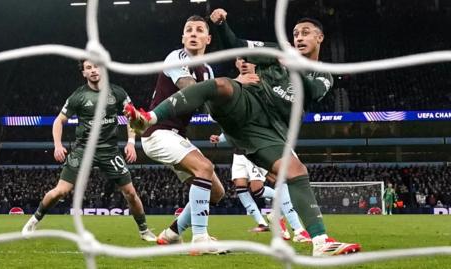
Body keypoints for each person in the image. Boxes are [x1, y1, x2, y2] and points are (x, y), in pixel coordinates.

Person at [125, 9, 361, 256]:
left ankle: (320, 241)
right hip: (246, 105)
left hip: (268, 131)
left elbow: (312, 91)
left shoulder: (323, 75)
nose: (299, 38)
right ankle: (149, 118)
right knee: (221, 87)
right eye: (295, 34)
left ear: (320, 38)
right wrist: (223, 25)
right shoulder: (275, 53)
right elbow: (236, 46)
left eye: (305, 33)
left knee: (294, 172)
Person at [21, 60, 157, 242]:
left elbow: (131, 117)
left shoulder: (117, 92)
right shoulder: (78, 96)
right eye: (89, 68)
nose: (94, 70)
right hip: (83, 150)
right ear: (84, 73)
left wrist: (131, 142)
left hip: (109, 151)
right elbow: (58, 121)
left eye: (96, 66)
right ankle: (33, 221)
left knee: (131, 193)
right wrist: (58, 145)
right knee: (61, 191)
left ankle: (144, 231)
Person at [137, 15, 226, 255]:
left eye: (199, 30)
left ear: (208, 38)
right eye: (189, 30)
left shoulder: (206, 69)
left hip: (177, 136)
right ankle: (200, 239)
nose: (194, 34)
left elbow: (212, 107)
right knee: (204, 168)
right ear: (183, 38)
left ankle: (172, 234)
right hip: (157, 132)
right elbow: (191, 89)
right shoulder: (176, 57)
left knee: (217, 193)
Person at [209, 57, 310, 243]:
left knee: (276, 181)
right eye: (240, 60)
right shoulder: (232, 85)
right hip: (240, 150)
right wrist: (221, 137)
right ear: (236, 64)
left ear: (257, 63)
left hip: (261, 143)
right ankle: (273, 220)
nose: (244, 62)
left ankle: (296, 227)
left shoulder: (265, 83)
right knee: (243, 187)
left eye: (249, 60)